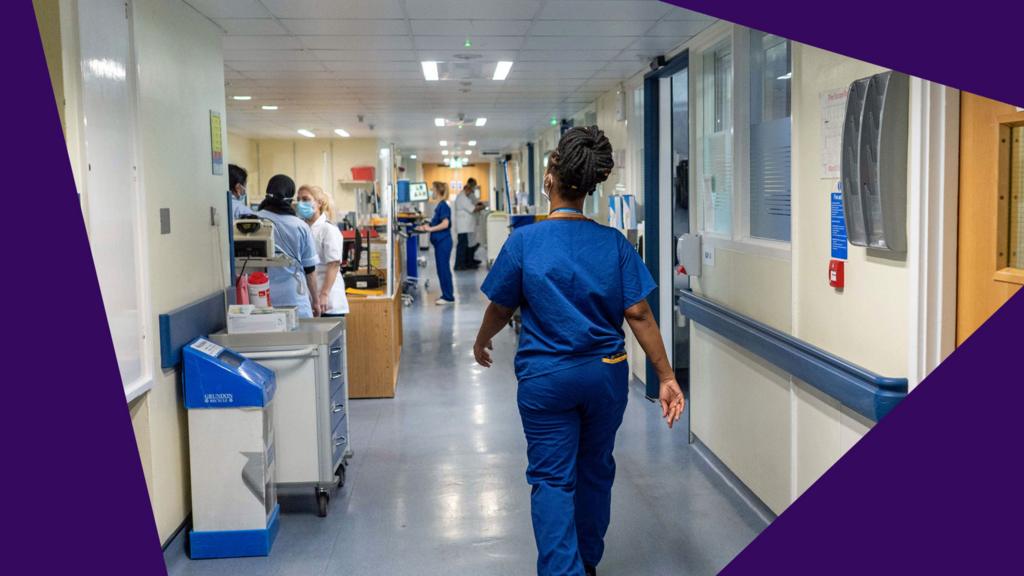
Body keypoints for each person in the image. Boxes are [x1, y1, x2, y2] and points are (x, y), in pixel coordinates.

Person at [474, 127, 685, 576]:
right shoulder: (613, 244)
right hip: (604, 375)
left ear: (550, 178)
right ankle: (587, 562)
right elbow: (641, 315)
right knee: (594, 470)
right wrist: (666, 376)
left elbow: (500, 306)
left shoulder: (525, 242)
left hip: (546, 379)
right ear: (591, 187)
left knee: (552, 479)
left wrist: (482, 339)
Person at [256, 174, 320, 318]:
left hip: (261, 298)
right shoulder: (300, 226)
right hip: (294, 298)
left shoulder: (254, 221)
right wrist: (316, 301)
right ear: (290, 197)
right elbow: (310, 269)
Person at [296, 185, 349, 317]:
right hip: (310, 299)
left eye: (305, 199)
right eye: (298, 199)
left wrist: (324, 294)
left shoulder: (328, 229)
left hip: (328, 300)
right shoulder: (302, 228)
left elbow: (334, 264)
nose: (301, 203)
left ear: (319, 203)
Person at [416, 182, 455, 305]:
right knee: (442, 269)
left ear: (438, 191)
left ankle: (448, 297)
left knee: (443, 269)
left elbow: (445, 224)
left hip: (443, 242)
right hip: (441, 242)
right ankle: (447, 295)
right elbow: (437, 222)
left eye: (432, 190)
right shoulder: (440, 206)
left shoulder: (443, 205)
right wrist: (426, 226)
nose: (431, 192)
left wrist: (429, 229)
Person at [454, 177, 484, 270]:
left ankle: (465, 263)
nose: (471, 192)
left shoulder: (465, 196)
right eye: (471, 190)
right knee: (462, 247)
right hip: (464, 227)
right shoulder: (462, 197)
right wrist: (482, 207)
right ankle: (460, 265)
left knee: (466, 245)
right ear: (467, 189)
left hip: (467, 227)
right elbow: (473, 209)